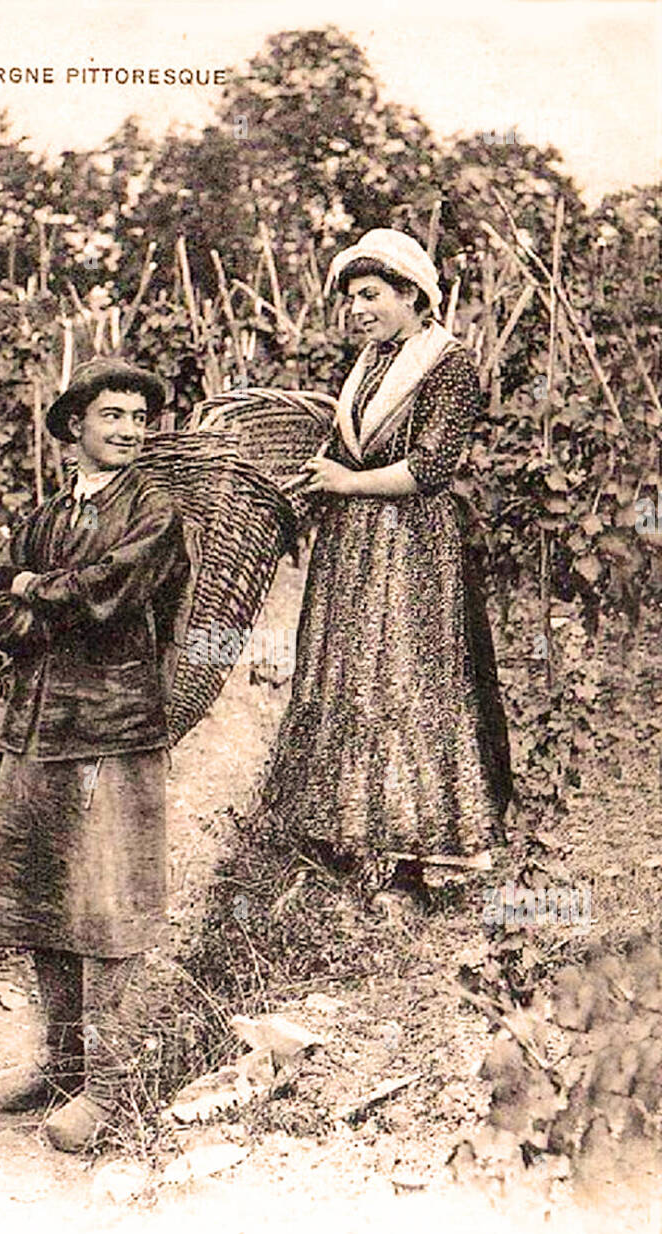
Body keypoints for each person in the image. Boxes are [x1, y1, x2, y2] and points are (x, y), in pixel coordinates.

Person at [0, 358, 191, 1152]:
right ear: (75, 427)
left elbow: (110, 596)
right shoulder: (44, 515)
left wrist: (39, 592)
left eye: (141, 417)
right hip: (38, 725)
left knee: (106, 909)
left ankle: (109, 1089)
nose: (131, 430)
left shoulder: (155, 511)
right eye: (114, 416)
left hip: (111, 723)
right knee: (41, 901)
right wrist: (32, 596)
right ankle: (60, 1068)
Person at [262, 229, 512, 897]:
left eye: (370, 295)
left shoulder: (447, 363)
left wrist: (345, 484)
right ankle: (349, 836)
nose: (357, 310)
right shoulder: (370, 362)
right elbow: (350, 445)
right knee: (352, 679)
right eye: (351, 299)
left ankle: (420, 860)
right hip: (357, 545)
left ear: (413, 295)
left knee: (405, 681)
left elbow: (432, 466)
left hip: (412, 547)